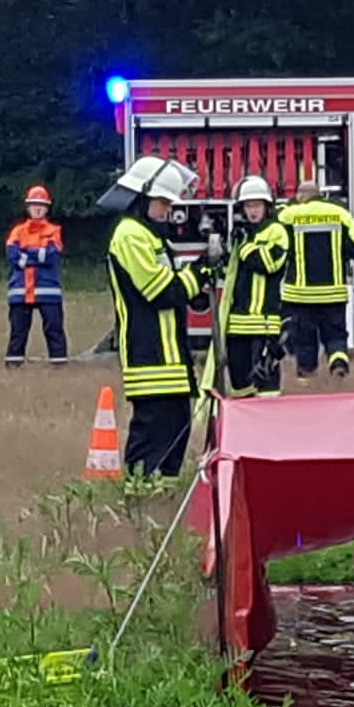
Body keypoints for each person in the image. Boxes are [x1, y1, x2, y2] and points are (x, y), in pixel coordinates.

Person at [98, 156, 219, 479]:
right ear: (143, 196)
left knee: (177, 424)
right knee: (153, 427)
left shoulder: (153, 236)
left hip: (171, 351)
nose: (168, 210)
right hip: (148, 350)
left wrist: (198, 277)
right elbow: (160, 291)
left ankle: (164, 491)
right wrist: (198, 274)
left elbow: (177, 285)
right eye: (163, 202)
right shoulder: (130, 235)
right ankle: (139, 492)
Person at [277, 179, 354, 384]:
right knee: (336, 336)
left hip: (299, 296)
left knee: (304, 341)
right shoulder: (340, 214)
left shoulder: (288, 215)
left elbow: (275, 248)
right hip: (333, 294)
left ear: (301, 196)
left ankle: (307, 379)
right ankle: (338, 364)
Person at [221, 175, 290, 397]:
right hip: (237, 325)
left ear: (267, 206)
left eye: (257, 205)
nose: (252, 211)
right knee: (240, 390)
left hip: (264, 325)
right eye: (248, 206)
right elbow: (230, 272)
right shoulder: (241, 235)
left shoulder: (276, 231)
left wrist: (244, 246)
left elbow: (268, 263)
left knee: (266, 390)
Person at [4, 184, 68, 368]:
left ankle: (59, 367)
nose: (37, 208)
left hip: (48, 290)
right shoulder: (17, 231)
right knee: (18, 332)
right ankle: (13, 367)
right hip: (21, 291)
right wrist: (39, 254)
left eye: (41, 205)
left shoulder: (54, 231)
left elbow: (52, 256)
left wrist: (26, 255)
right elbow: (12, 255)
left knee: (54, 329)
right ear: (28, 207)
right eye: (34, 205)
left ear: (47, 208)